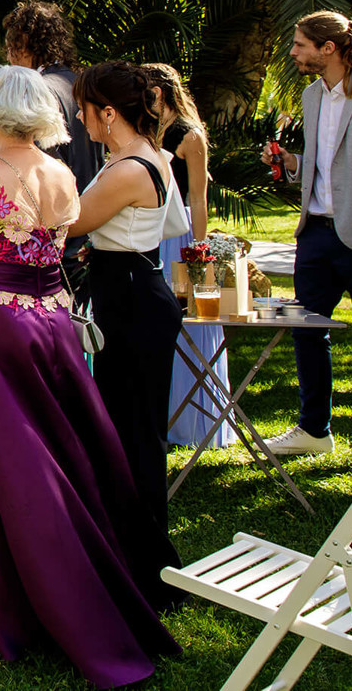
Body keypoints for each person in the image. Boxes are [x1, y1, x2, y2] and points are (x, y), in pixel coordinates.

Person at [0, 65, 177, 686]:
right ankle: (69, 578)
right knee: (59, 451)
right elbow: (59, 241)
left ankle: (16, 595)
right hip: (54, 323)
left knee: (2, 460)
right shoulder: (64, 174)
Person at [265, 11, 352, 468]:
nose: (293, 53)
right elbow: (334, 165)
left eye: (300, 44)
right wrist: (294, 163)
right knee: (308, 331)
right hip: (316, 235)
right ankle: (313, 429)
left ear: (329, 48)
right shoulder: (311, 96)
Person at [67, 61, 186, 576]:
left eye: (86, 108)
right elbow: (175, 221)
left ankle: (144, 560)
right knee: (130, 427)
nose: (80, 116)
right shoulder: (148, 156)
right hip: (137, 289)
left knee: (134, 431)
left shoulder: (129, 168)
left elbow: (70, 221)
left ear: (108, 113)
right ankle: (131, 546)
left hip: (132, 301)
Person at [142, 63, 229, 450]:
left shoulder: (189, 136)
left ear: (158, 93)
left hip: (180, 237)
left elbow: (197, 198)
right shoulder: (145, 131)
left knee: (188, 318)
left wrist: (198, 249)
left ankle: (191, 418)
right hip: (148, 232)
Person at [4, 1, 102, 289]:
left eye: (11, 46)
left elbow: (39, 164)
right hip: (89, 220)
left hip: (54, 238)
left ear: (22, 43)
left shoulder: (35, 89)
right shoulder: (80, 82)